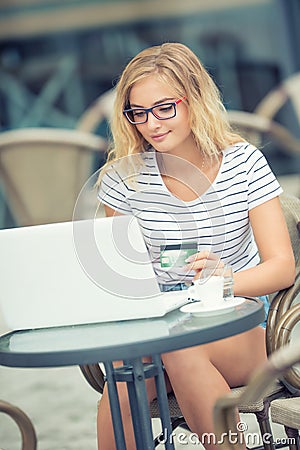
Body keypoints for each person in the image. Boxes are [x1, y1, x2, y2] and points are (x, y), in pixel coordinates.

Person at [96, 42, 295, 450]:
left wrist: (227, 280)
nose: (151, 123)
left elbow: (282, 267)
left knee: (180, 348)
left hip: (242, 326)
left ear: (195, 100)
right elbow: (113, 274)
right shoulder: (125, 179)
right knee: (124, 370)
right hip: (160, 326)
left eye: (165, 107)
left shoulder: (242, 163)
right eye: (138, 113)